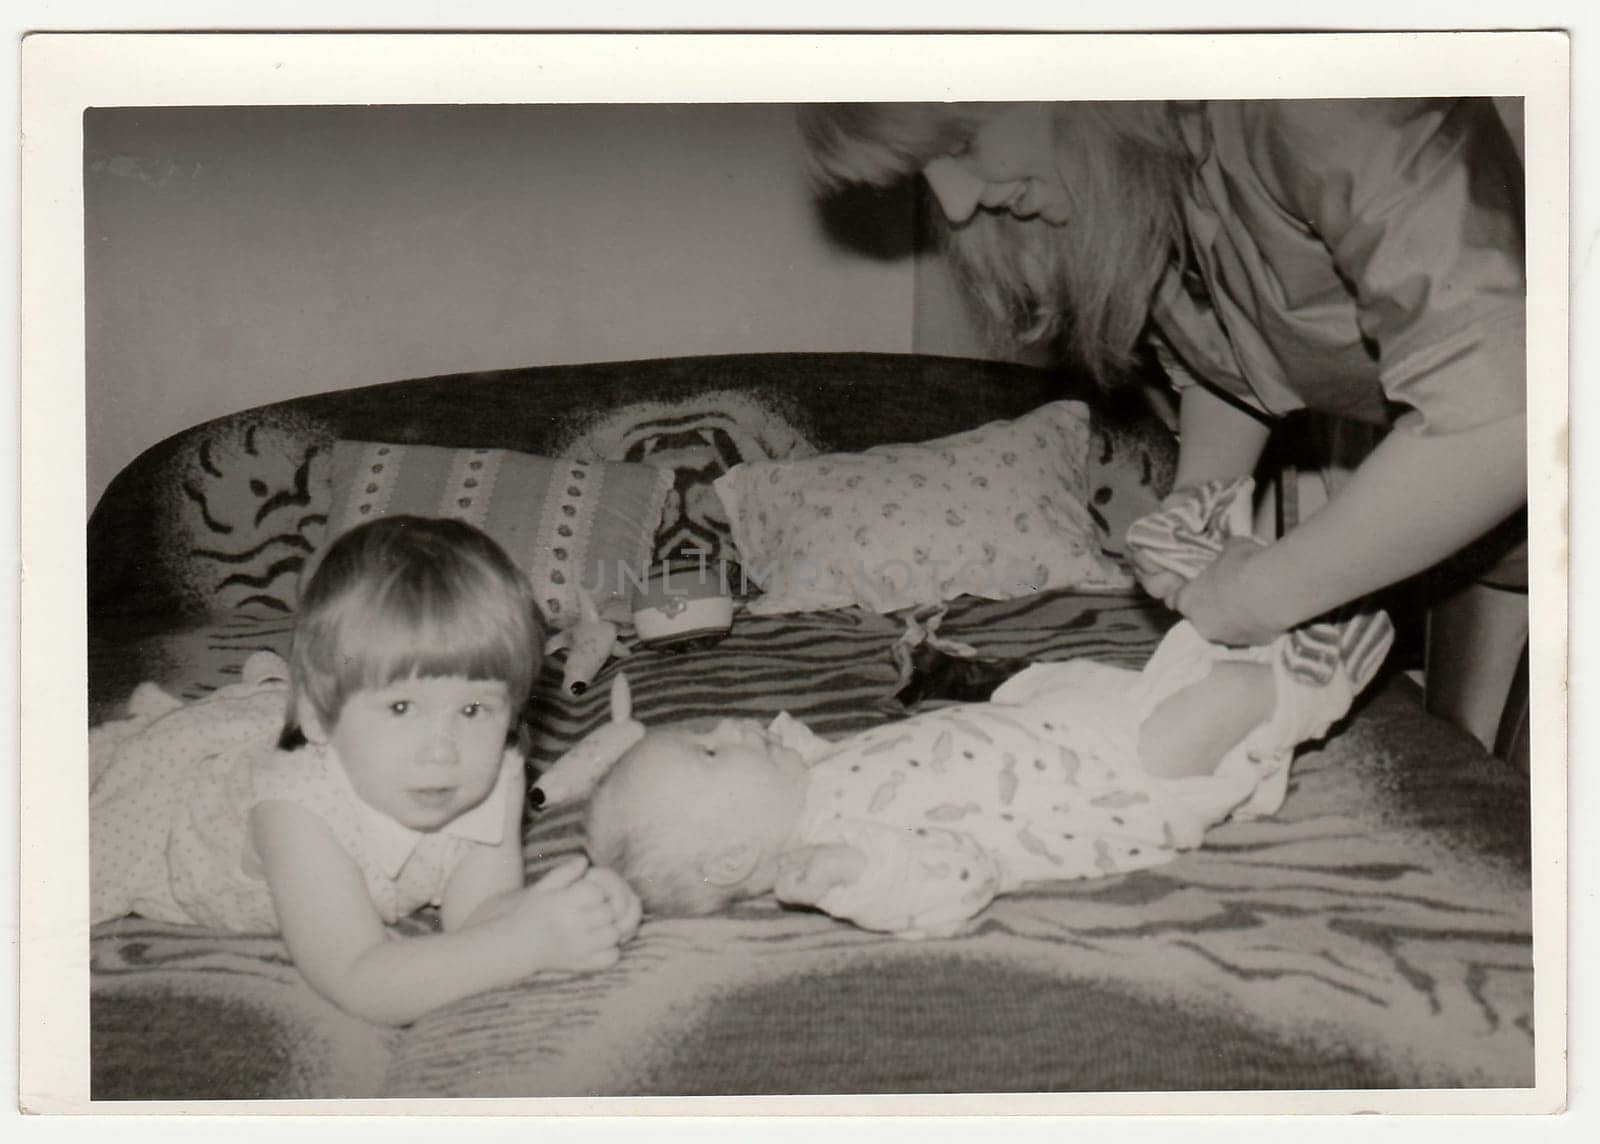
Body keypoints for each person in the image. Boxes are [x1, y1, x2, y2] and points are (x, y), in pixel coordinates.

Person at [799, 99, 1526, 652]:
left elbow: (1510, 409)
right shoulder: (1148, 179)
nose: (956, 204)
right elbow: (1231, 365)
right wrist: (1197, 500)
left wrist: (1259, 596)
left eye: (961, 143)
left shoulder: (1316, 92)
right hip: (1480, 514)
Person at [91, 516, 641, 1026]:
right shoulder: (293, 810)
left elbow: (478, 911)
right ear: (317, 718)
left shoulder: (492, 771)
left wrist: (571, 908)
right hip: (179, 807)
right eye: (402, 708)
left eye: (474, 709)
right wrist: (525, 944)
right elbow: (357, 975)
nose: (443, 751)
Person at [581, 603, 1393, 938]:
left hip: (1059, 729)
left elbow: (831, 759)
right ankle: (1304, 689)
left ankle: (1255, 629)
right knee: (1202, 715)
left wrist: (775, 741)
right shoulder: (846, 856)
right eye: (712, 750)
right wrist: (850, 872)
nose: (727, 724)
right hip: (1116, 791)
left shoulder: (810, 783)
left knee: (1151, 672)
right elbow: (954, 882)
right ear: (733, 859)